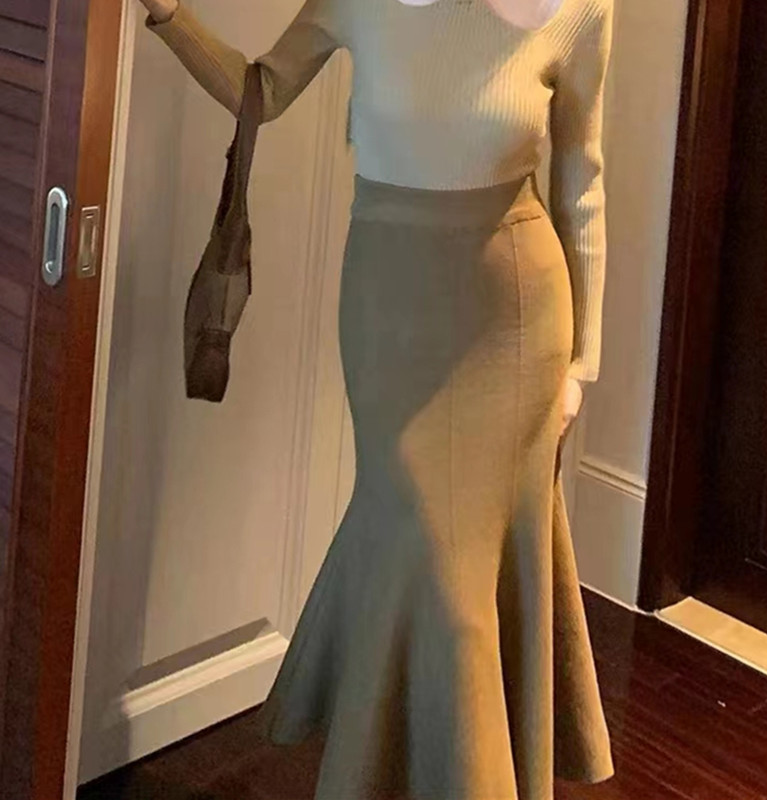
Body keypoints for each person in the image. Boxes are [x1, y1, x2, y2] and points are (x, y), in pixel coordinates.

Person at [139, 0, 616, 797]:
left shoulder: (582, 8)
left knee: (459, 588)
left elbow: (582, 181)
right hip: (387, 318)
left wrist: (580, 365)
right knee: (422, 551)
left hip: (515, 320)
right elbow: (260, 90)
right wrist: (166, 14)